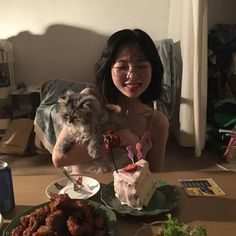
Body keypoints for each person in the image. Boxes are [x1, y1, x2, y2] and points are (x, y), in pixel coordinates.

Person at [52, 29, 169, 173]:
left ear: (153, 69)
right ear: (109, 69)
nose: (132, 75)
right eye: (122, 66)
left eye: (142, 66)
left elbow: (154, 176)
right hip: (85, 191)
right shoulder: (89, 101)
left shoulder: (157, 122)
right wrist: (119, 138)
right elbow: (58, 158)